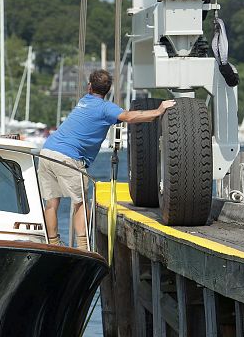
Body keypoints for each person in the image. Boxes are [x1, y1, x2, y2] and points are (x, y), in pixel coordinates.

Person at [38, 69, 175, 249]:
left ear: (89, 87)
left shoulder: (83, 102)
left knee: (51, 202)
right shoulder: (105, 108)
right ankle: (83, 247)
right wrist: (158, 111)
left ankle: (53, 243)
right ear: (108, 91)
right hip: (68, 157)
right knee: (79, 203)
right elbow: (130, 116)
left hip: (47, 152)